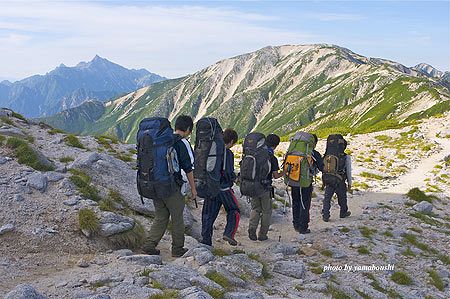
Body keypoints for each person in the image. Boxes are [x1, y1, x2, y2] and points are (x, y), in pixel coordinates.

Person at [142, 115, 197, 257]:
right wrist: (193, 188)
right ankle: (177, 248)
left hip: (155, 184)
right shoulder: (181, 143)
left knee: (161, 216)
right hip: (171, 187)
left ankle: (149, 244)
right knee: (177, 217)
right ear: (188, 129)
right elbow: (188, 168)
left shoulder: (162, 140)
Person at [201, 129, 240, 246]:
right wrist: (234, 178)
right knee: (234, 210)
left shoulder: (211, 150)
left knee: (208, 215)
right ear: (232, 141)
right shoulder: (227, 153)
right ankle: (229, 233)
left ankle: (206, 241)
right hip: (224, 189)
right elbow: (228, 173)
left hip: (210, 187)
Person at [248, 133, 285, 241]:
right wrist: (285, 172)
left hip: (253, 185)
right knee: (266, 211)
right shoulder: (272, 157)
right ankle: (262, 234)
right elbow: (275, 175)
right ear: (276, 145)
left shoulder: (255, 153)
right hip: (265, 187)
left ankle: (252, 228)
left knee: (255, 209)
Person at [291, 134, 324, 234]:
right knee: (304, 204)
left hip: (293, 180)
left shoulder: (293, 151)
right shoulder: (313, 153)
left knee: (295, 202)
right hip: (305, 182)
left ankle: (296, 224)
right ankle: (303, 227)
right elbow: (322, 167)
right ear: (313, 143)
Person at [321, 135, 352, 222]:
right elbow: (348, 171)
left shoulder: (327, 155)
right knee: (342, 197)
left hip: (328, 179)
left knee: (327, 198)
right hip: (340, 179)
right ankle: (343, 212)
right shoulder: (346, 157)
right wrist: (349, 183)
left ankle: (326, 215)